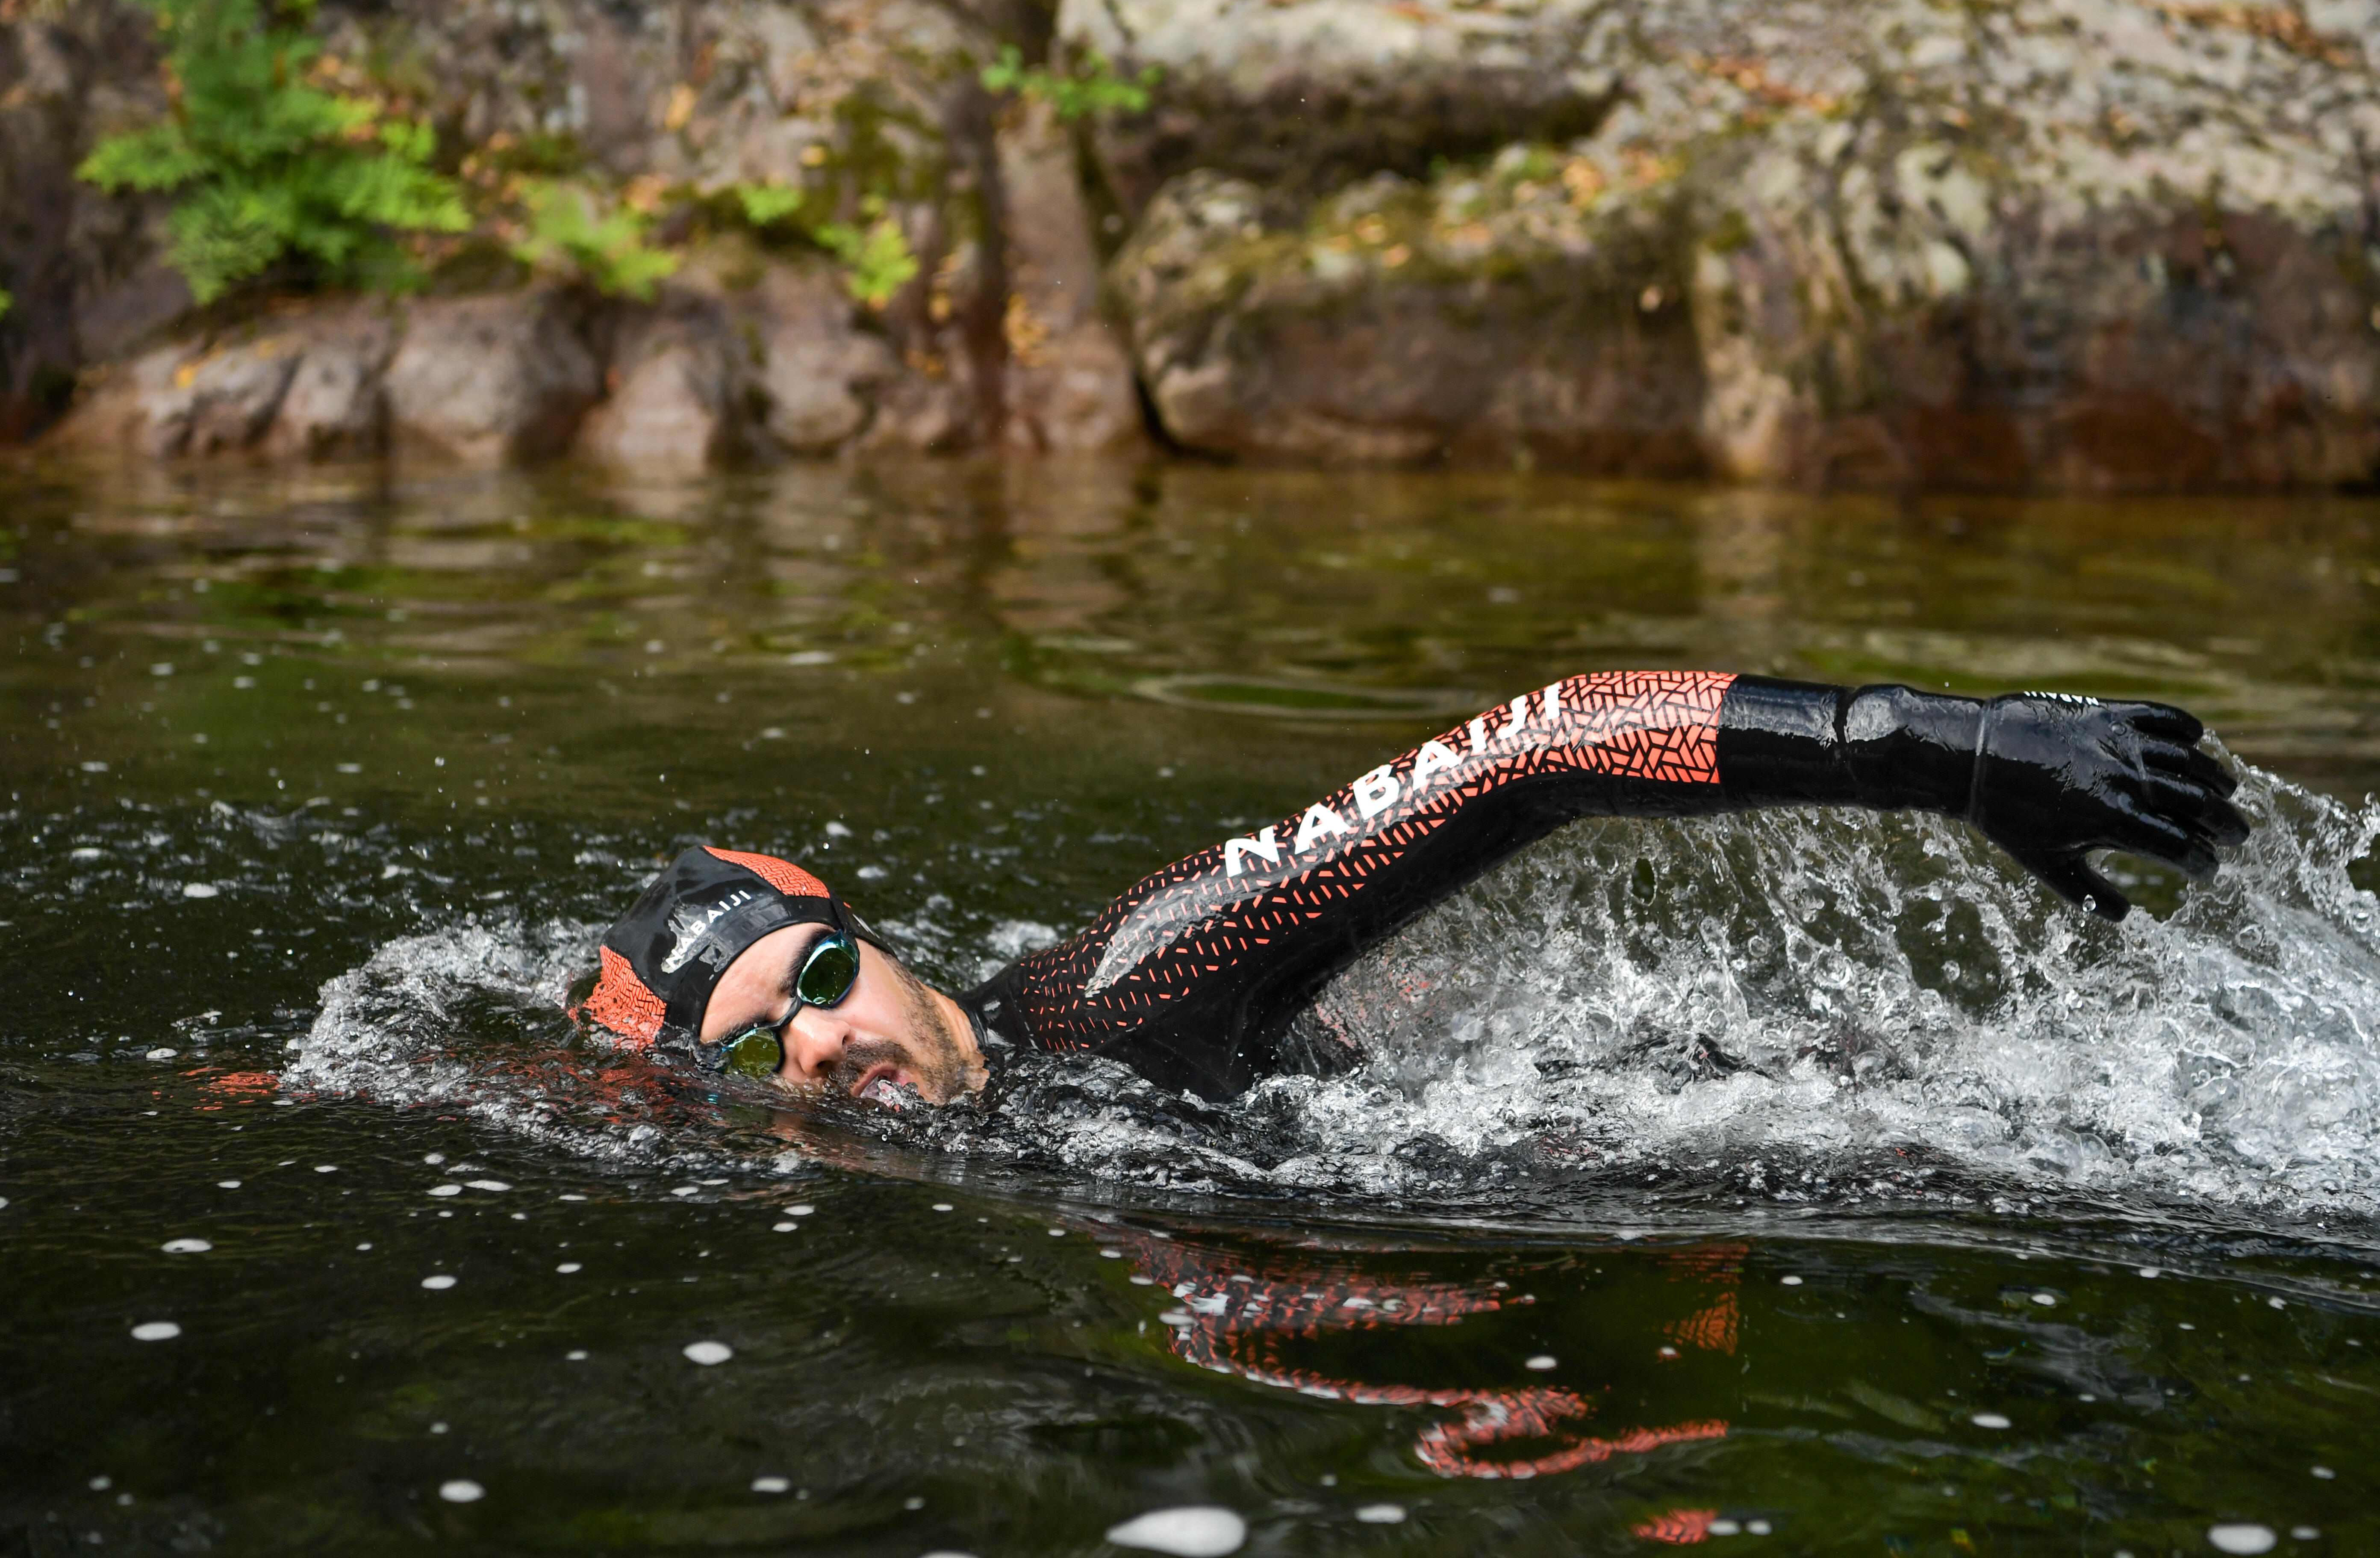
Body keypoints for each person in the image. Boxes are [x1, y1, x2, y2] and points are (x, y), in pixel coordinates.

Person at [575, 671, 2248, 1105]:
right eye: (752, 1053)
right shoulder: (844, 1147)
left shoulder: (1133, 982)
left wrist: (1935, 747)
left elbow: (1533, 752)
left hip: (1686, 1101)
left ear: (881, 948)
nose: (808, 1048)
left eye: (808, 985)